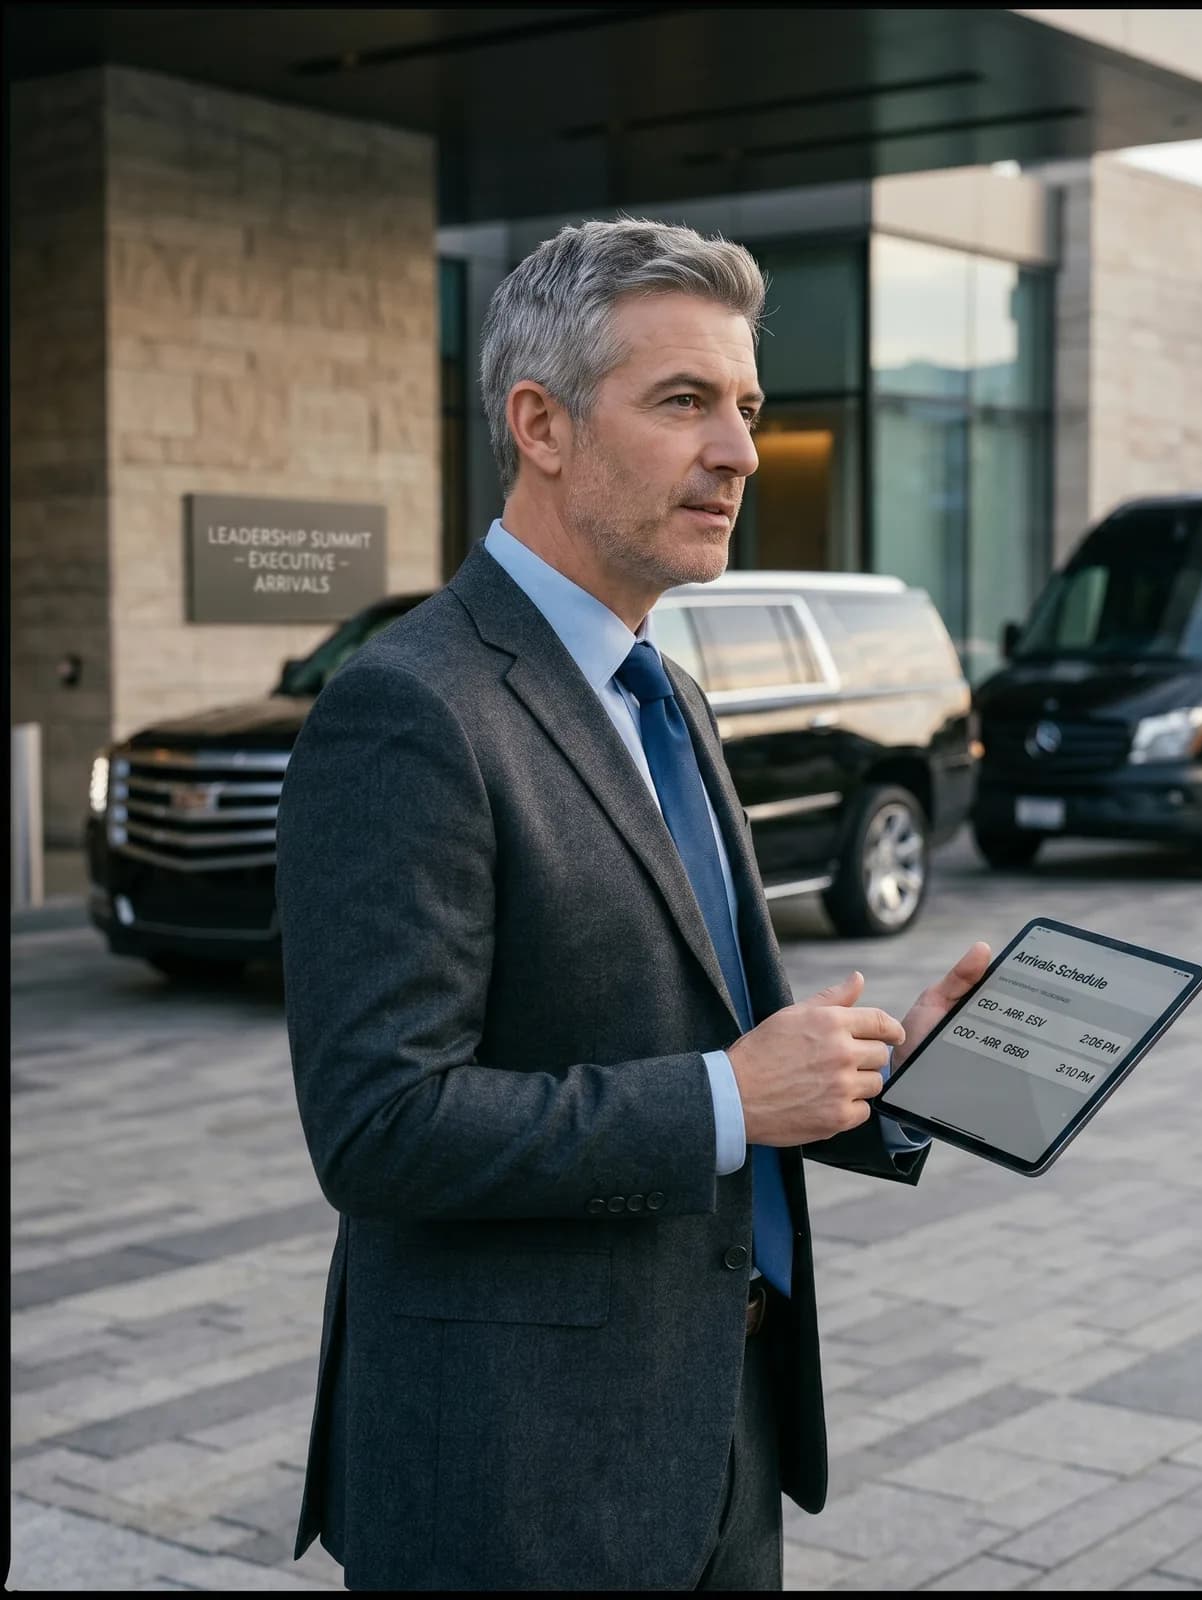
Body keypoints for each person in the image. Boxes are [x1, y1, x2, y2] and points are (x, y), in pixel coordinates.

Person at [276, 216, 991, 1592]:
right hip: (519, 1485)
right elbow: (379, 1127)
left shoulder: (666, 689)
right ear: (538, 423)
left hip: (725, 1434)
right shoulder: (409, 710)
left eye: (747, 408)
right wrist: (729, 1099)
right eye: (684, 403)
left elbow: (712, 1038)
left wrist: (882, 1076)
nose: (739, 450)